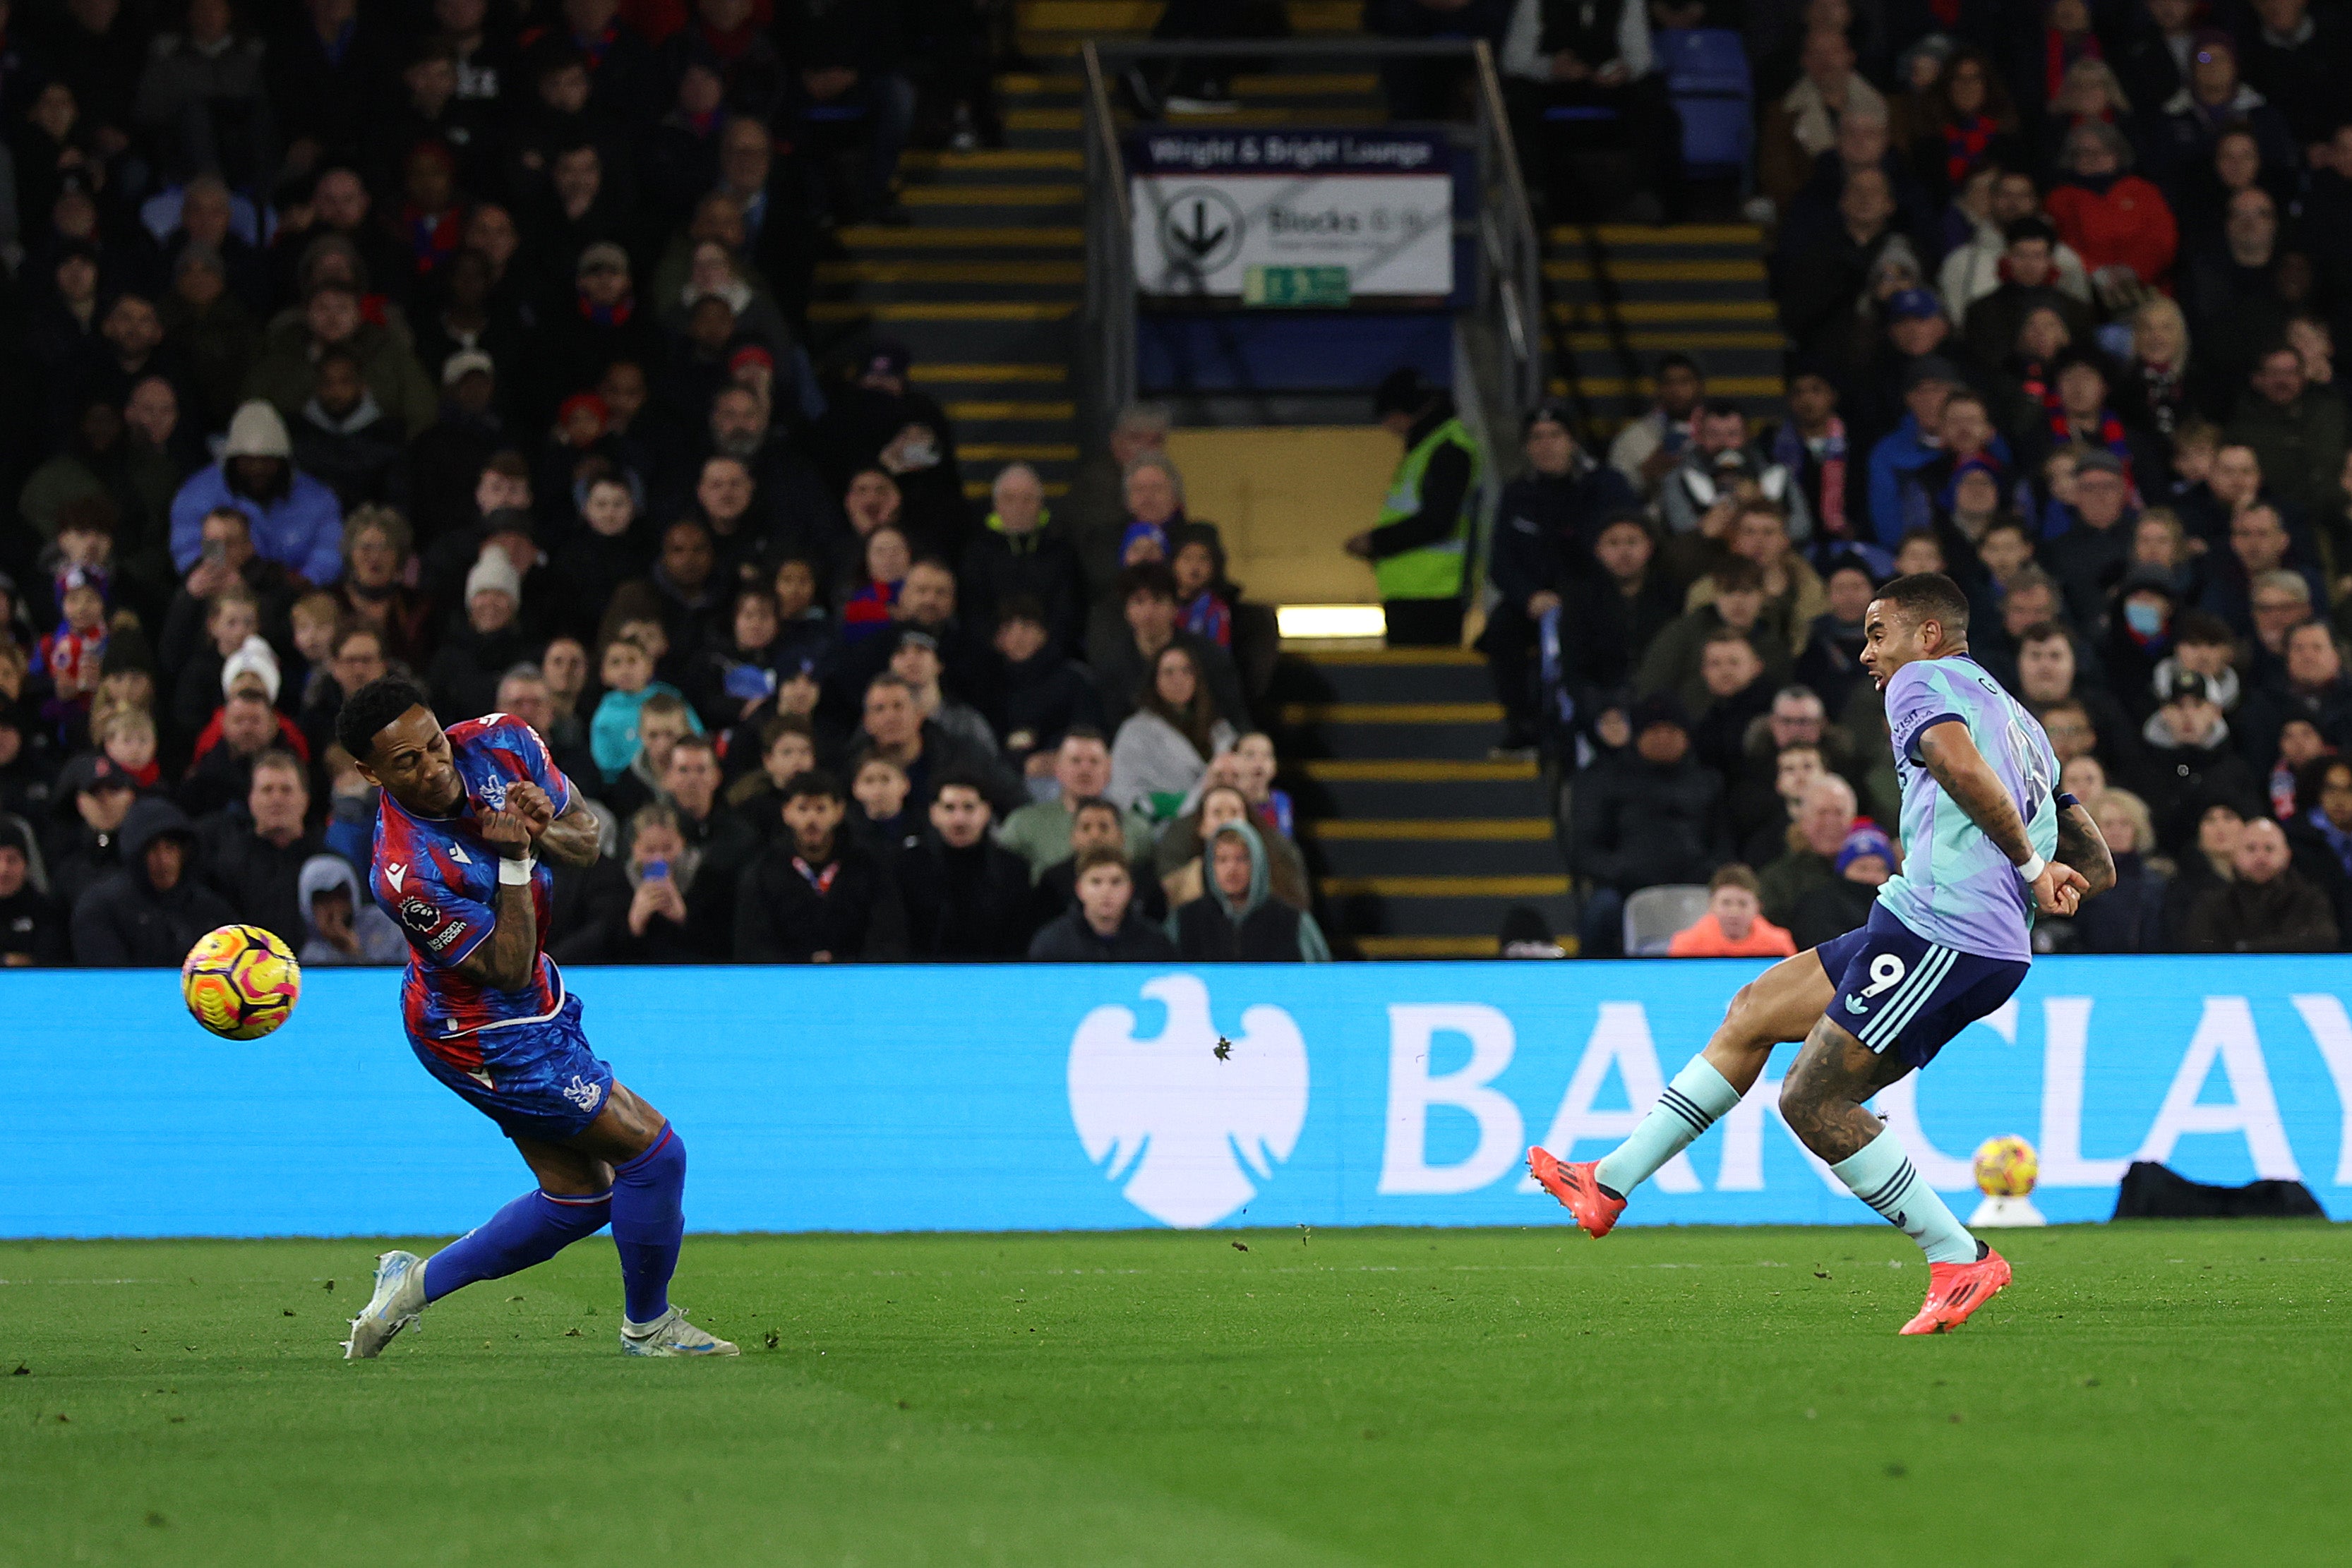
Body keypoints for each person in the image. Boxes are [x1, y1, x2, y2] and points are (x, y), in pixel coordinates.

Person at [1530, 572, 2116, 1334]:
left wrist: (2031, 870)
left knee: (1812, 1102)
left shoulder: (1918, 683)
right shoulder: (2016, 718)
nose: (1867, 652)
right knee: (1752, 1009)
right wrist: (2056, 871)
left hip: (1946, 931)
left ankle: (1958, 1253)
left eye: (1877, 633)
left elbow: (1953, 764)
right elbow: (2092, 855)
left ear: (1927, 633)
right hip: (1916, 918)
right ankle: (1606, 1182)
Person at [334, 676, 736, 1361]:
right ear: (369, 772)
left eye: (434, 745)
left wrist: (546, 820)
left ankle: (409, 1285)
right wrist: (517, 856)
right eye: (407, 763)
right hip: (475, 1030)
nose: (434, 767)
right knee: (653, 1155)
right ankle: (649, 1326)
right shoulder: (402, 869)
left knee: (579, 1197)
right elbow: (506, 966)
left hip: (535, 1003)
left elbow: (588, 840)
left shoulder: (501, 739)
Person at [1343, 368, 1482, 646]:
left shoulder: (1446, 449)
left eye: (1388, 417)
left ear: (1401, 412)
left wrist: (1376, 542)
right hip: (1420, 592)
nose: (1387, 427)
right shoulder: (1430, 447)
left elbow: (1437, 521)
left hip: (1432, 595)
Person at [733, 768, 904, 963]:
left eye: (821, 809)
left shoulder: (869, 866)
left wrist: (845, 963)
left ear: (839, 812)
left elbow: (888, 938)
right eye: (803, 809)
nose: (811, 819)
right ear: (787, 813)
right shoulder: (763, 871)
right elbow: (752, 945)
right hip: (786, 983)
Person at [71, 796, 239, 966]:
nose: (164, 860)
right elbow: (107, 980)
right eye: (152, 850)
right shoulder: (100, 908)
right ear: (135, 854)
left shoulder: (211, 909)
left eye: (171, 848)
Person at [896, 775, 1035, 959]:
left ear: (986, 812)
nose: (959, 819)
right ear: (934, 814)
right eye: (949, 808)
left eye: (969, 807)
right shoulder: (908, 867)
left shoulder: (1012, 869)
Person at [1170, 819, 1330, 962]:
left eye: (1242, 859)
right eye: (1222, 859)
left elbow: (1319, 978)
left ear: (1258, 863)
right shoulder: (1185, 920)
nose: (1231, 869)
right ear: (1211, 865)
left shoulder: (1293, 922)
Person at [1110, 644, 1235, 822]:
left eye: (1187, 671)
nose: (1179, 679)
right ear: (1155, 680)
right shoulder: (1135, 732)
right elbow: (1127, 794)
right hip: (1161, 827)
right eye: (1169, 672)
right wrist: (1191, 800)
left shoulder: (1219, 730)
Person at [2185, 814, 2336, 951]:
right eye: (2251, 849)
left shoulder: (2310, 900)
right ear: (2236, 855)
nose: (2260, 857)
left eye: (2269, 849)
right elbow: (2201, 948)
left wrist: (2246, 948)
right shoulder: (2213, 903)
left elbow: (2324, 940)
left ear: (2287, 855)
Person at [1028, 846, 1180, 961]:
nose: (1106, 891)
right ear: (1079, 889)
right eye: (1096, 882)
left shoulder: (1156, 943)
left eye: (1116, 882)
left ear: (1130, 889)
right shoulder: (1052, 943)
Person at [1789, 821, 1892, 948]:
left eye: (1880, 869)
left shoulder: (1898, 905)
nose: (1871, 876)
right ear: (1844, 870)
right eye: (1862, 868)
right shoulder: (1819, 904)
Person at [296, 851, 409, 965]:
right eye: (322, 900)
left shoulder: (384, 923)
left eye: (339, 896)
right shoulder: (311, 957)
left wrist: (356, 953)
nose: (334, 907)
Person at [1667, 864, 1796, 958]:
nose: (1734, 912)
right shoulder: (1686, 945)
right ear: (1711, 906)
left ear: (1758, 907)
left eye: (1743, 904)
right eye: (1726, 903)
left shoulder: (1779, 944)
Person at [0, 819, 68, 965]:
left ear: (26, 864)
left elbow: (55, 959)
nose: (3, 870)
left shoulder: (48, 911)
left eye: (12, 860)